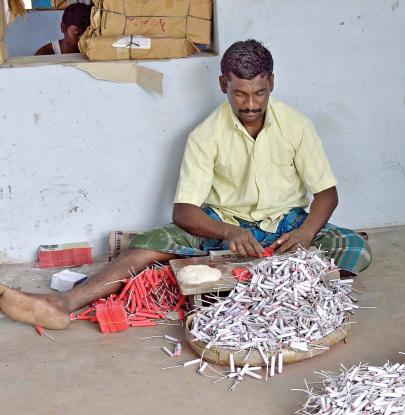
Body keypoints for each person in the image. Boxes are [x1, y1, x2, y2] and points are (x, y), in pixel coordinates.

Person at [0, 39, 371, 330]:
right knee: (149, 245)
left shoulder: (297, 126)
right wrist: (227, 231)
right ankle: (61, 304)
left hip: (285, 227)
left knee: (354, 249)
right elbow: (184, 211)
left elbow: (326, 193)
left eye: (259, 92)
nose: (251, 104)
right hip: (223, 227)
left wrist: (305, 234)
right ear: (223, 84)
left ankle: (258, 282)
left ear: (272, 82)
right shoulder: (205, 135)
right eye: (240, 93)